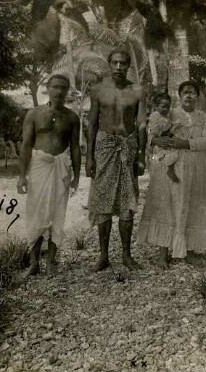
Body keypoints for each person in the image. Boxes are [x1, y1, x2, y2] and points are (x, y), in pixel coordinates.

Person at [138, 81, 206, 268]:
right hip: (170, 165)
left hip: (195, 166)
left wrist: (185, 144)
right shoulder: (170, 113)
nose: (188, 96)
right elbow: (152, 132)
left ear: (198, 96)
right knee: (167, 206)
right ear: (179, 96)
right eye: (185, 93)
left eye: (192, 93)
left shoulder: (205, 118)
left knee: (191, 204)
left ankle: (188, 251)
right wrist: (156, 139)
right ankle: (163, 253)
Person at [86, 49, 146, 272]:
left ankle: (126, 255)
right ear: (109, 64)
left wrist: (141, 155)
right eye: (115, 63)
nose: (119, 67)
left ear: (129, 65)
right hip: (104, 148)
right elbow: (92, 123)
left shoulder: (137, 90)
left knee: (127, 202)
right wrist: (89, 157)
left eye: (123, 63)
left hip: (128, 147)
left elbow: (141, 124)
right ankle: (103, 256)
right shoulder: (98, 90)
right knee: (102, 201)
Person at [17, 74, 80, 277]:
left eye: (63, 87)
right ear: (48, 88)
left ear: (67, 90)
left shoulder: (72, 118)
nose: (59, 91)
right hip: (39, 167)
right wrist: (21, 176)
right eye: (55, 87)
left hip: (61, 167)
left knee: (57, 214)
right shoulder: (34, 114)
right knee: (36, 214)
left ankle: (51, 262)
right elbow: (26, 145)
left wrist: (77, 176)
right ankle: (34, 263)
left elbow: (76, 148)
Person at [146, 93, 188, 183]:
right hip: (158, 142)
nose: (166, 109)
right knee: (164, 155)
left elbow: (173, 127)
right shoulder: (155, 116)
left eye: (168, 107)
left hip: (166, 138)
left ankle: (171, 169)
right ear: (156, 106)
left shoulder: (168, 116)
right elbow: (153, 130)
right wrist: (164, 133)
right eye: (163, 106)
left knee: (176, 152)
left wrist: (172, 131)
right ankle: (169, 170)